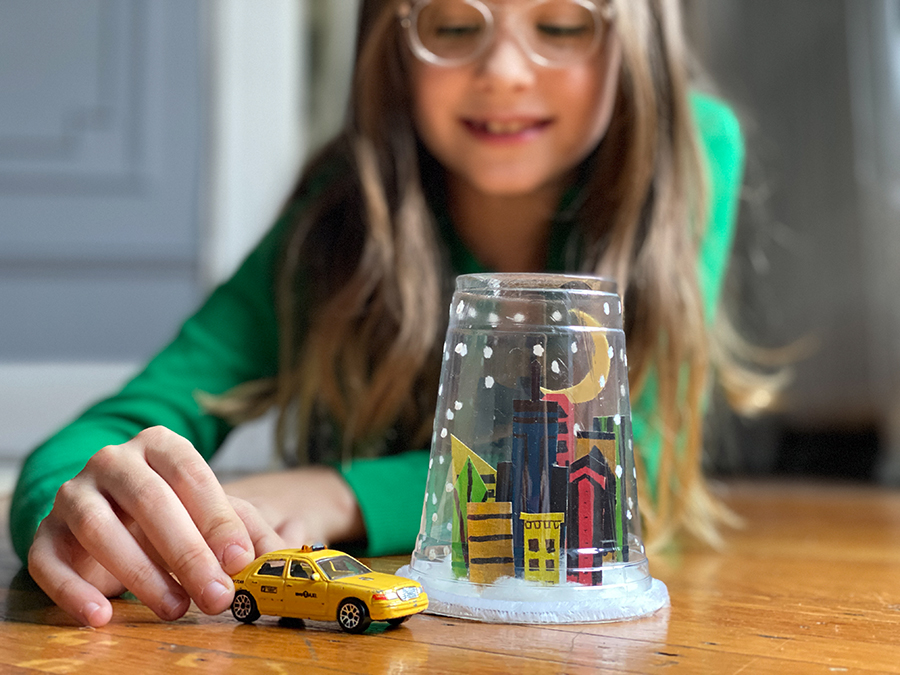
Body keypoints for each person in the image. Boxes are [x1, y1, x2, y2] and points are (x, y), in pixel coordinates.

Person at [10, 0, 748, 628]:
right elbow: (109, 430)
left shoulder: (692, 160)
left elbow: (627, 468)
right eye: (455, 25)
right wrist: (79, 510)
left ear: (639, 37)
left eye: (561, 25)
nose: (505, 72)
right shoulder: (337, 216)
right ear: (389, 43)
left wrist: (339, 492)